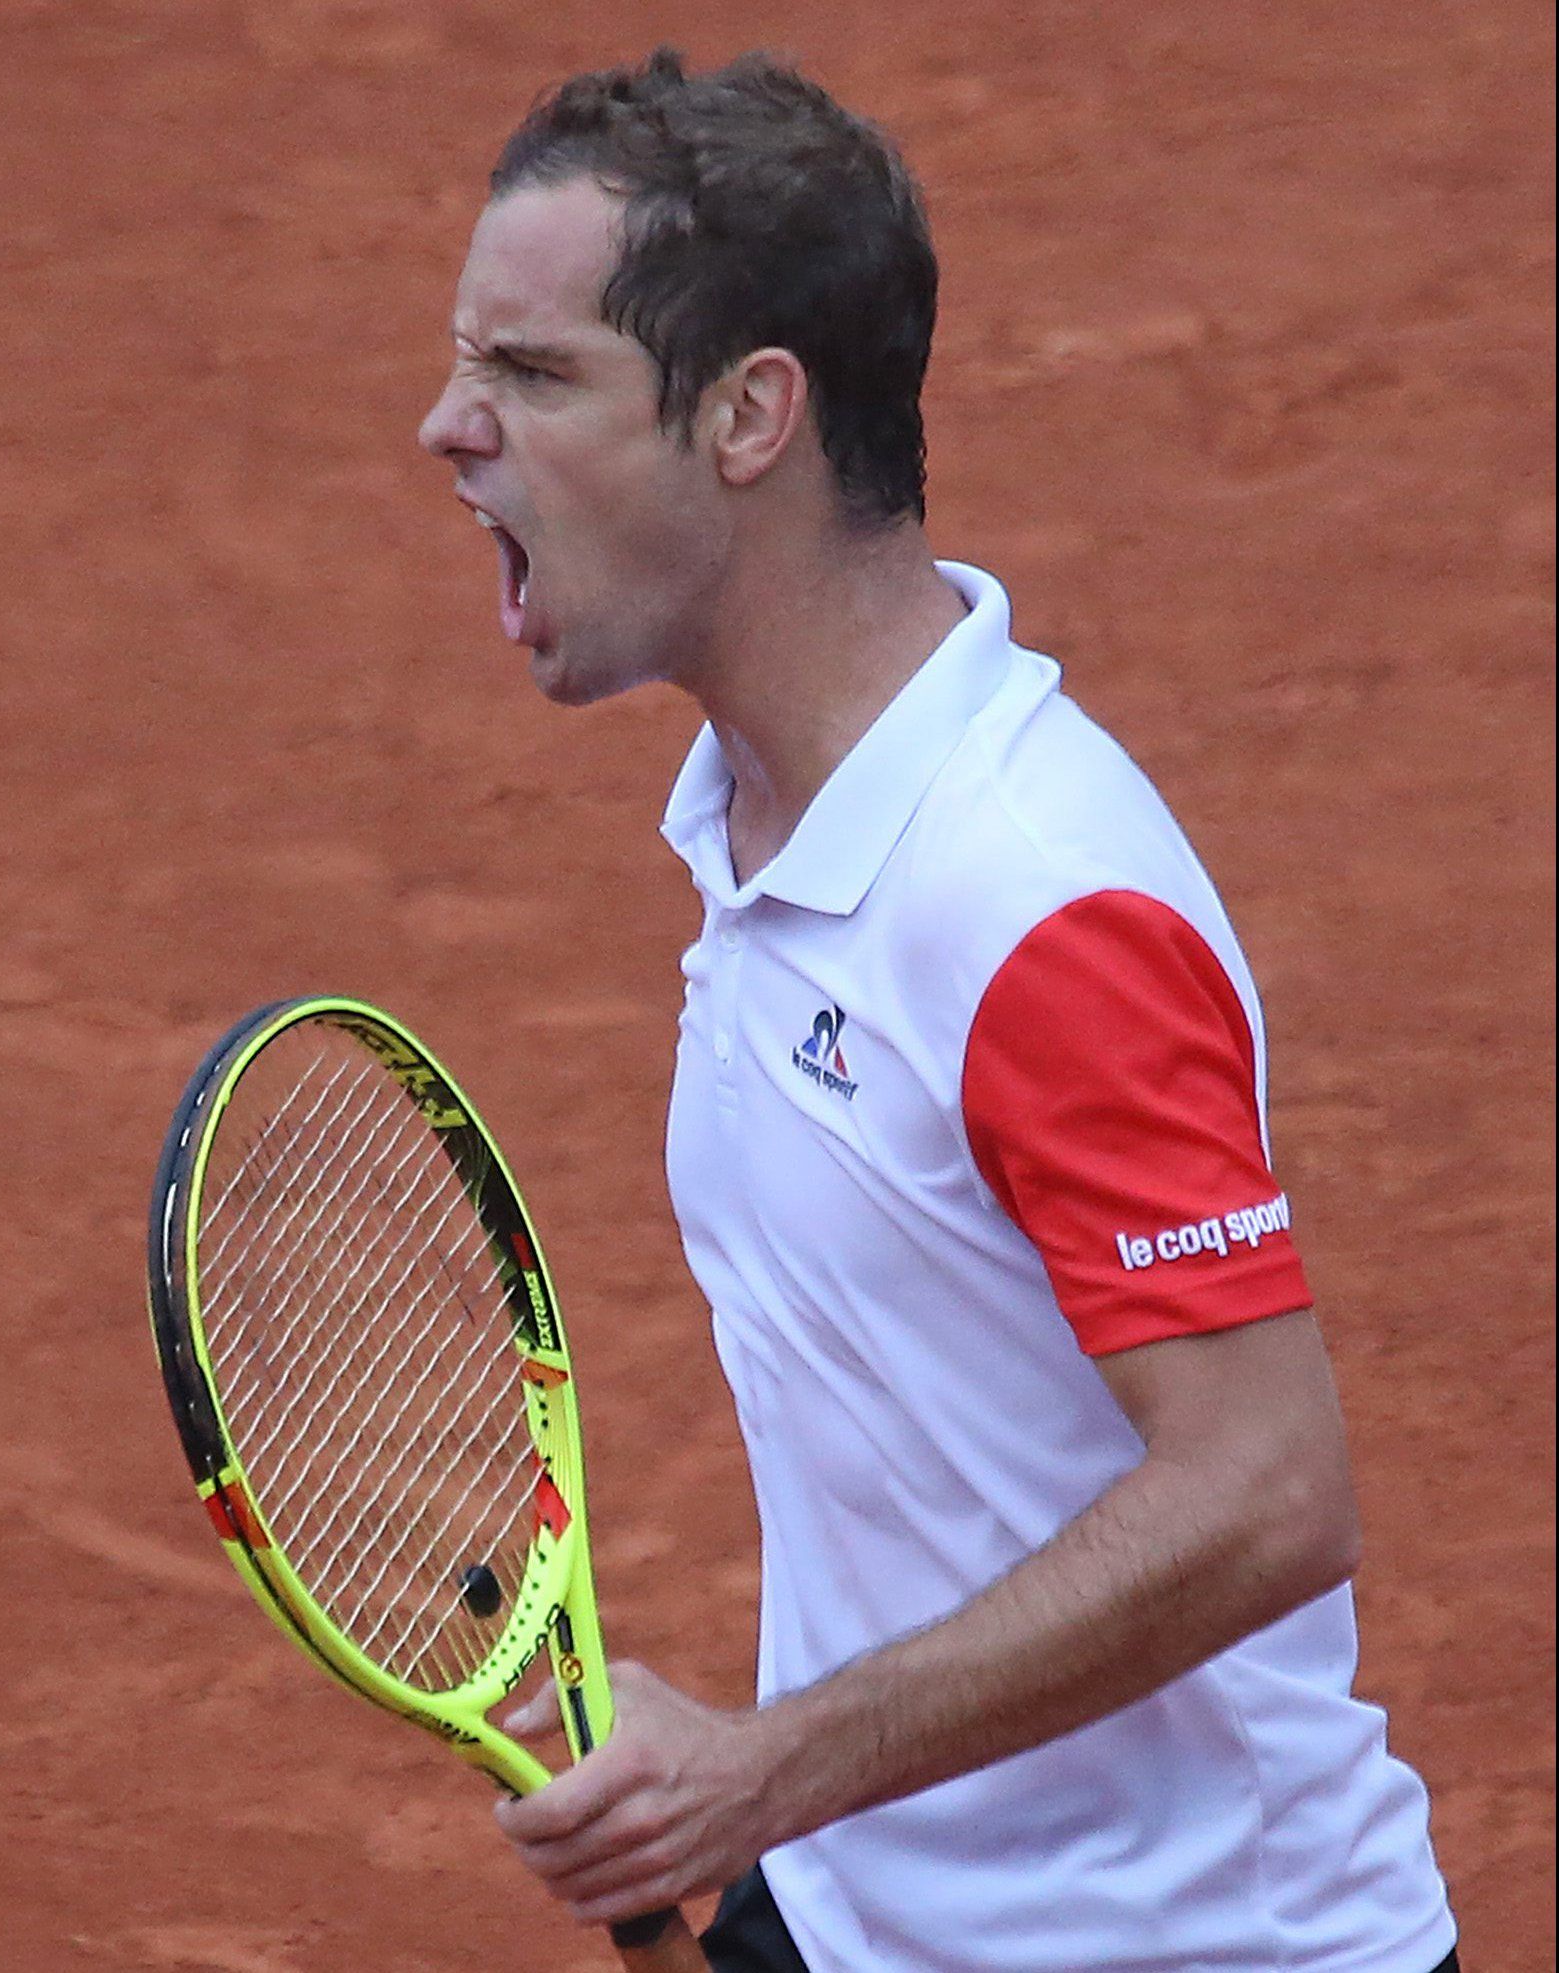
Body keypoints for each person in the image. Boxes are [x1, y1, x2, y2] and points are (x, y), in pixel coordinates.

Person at [411, 50, 1461, 1973]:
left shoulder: (1022, 898)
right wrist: (756, 1837)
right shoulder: (759, 822)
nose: (446, 428)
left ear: (750, 417)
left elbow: (1270, 1488)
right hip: (864, 1912)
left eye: (534, 374)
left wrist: (762, 1770)